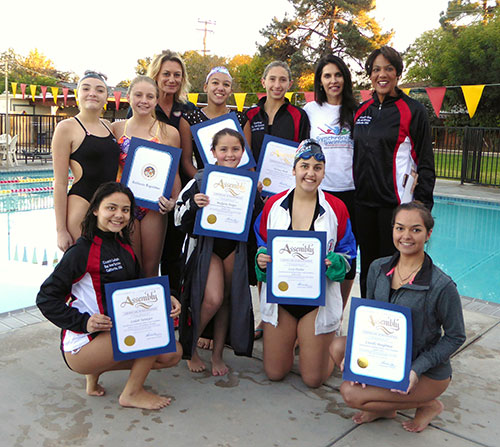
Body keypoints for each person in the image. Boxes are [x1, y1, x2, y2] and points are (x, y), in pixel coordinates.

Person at [36, 182, 183, 410]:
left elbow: (140, 287)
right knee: (150, 332)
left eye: (125, 210)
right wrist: (84, 322)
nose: (119, 215)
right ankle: (132, 393)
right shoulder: (81, 252)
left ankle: (94, 376)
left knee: (173, 353)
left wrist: (168, 296)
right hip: (83, 344)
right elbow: (46, 298)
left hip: (109, 333)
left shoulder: (123, 246)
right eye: (111, 208)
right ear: (96, 210)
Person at [330, 201, 466, 432]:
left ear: (428, 234)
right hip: (386, 358)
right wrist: (357, 355)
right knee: (337, 347)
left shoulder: (441, 286)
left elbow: (455, 336)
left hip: (424, 371)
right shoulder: (378, 268)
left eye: (416, 229)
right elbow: (369, 318)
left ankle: (429, 404)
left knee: (350, 394)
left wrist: (416, 369)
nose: (406, 236)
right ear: (392, 229)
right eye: (400, 228)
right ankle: (385, 407)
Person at [254, 139, 356, 388]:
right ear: (294, 169)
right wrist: (261, 261)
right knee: (275, 372)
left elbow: (350, 257)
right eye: (304, 166)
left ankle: (330, 346)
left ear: (323, 171)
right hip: (282, 299)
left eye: (317, 167)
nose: (310, 173)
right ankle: (298, 339)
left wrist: (335, 263)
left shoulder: (337, 208)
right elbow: (260, 247)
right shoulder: (273, 205)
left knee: (313, 379)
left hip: (316, 303)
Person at [175, 128, 261, 376]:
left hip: (233, 248)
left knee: (225, 301)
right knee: (212, 299)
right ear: (212, 152)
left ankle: (217, 354)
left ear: (243, 152)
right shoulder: (201, 181)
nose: (230, 154)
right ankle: (189, 346)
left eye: (235, 149)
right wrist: (194, 204)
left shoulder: (248, 184)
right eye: (223, 149)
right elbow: (178, 219)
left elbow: (259, 222)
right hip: (207, 247)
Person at [352, 46, 436, 297]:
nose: (382, 74)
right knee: (368, 267)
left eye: (388, 68)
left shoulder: (413, 110)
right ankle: (368, 319)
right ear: (370, 75)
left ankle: (395, 325)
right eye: (376, 69)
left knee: (396, 269)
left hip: (395, 206)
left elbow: (425, 162)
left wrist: (422, 206)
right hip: (364, 204)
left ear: (398, 73)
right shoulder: (361, 111)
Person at [112, 75, 181, 277]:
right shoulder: (116, 129)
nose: (144, 100)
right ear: (128, 97)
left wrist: (174, 201)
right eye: (139, 95)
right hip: (123, 206)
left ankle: (151, 307)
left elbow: (174, 173)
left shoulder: (169, 132)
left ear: (157, 100)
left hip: (153, 206)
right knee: (129, 267)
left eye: (150, 96)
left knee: (151, 268)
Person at [304, 54, 358, 308]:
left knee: (348, 256)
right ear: (320, 81)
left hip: (351, 192)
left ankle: (337, 313)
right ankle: (311, 308)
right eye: (327, 75)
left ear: (345, 79)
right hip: (320, 192)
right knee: (316, 251)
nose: (333, 80)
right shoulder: (311, 111)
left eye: (338, 75)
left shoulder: (357, 111)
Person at [52, 70, 120, 252]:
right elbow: (59, 183)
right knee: (82, 269)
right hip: (82, 205)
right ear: (77, 94)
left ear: (107, 97)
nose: (92, 93)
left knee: (110, 268)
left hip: (111, 208)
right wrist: (61, 230)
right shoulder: (66, 128)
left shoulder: (109, 126)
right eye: (86, 88)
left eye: (99, 90)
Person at [146, 50, 196, 292]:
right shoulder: (144, 104)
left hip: (181, 186)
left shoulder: (188, 108)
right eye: (166, 74)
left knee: (174, 252)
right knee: (147, 254)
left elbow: (204, 146)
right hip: (147, 187)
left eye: (177, 74)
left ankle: (173, 303)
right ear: (156, 74)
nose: (171, 79)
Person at [181, 66, 246, 179]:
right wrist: (205, 181)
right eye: (215, 83)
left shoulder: (240, 119)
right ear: (206, 87)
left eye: (226, 85)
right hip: (202, 185)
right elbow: (186, 162)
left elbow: (246, 161)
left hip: (234, 185)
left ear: (230, 91)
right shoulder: (190, 119)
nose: (220, 88)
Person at [244, 60, 310, 163]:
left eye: (283, 80)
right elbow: (243, 153)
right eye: (272, 79)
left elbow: (304, 154)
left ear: (289, 84)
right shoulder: (250, 115)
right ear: (263, 82)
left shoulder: (299, 116)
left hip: (287, 177)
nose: (277, 85)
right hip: (255, 178)